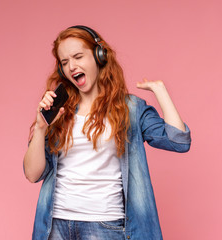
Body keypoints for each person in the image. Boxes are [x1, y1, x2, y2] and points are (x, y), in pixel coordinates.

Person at [23, 25, 191, 240]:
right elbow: (32, 174)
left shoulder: (130, 109)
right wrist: (40, 127)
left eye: (78, 57)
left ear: (99, 56)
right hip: (55, 225)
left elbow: (179, 142)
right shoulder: (58, 109)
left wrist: (161, 91)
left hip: (105, 225)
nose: (72, 66)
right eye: (64, 62)